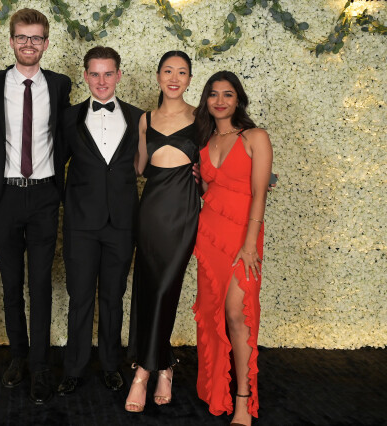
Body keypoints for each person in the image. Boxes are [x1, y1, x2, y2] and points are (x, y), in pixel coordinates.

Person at [0, 8, 72, 405]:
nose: (29, 44)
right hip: (5, 195)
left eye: (36, 37)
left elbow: (66, 135)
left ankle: (40, 365)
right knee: (12, 282)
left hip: (44, 196)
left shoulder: (60, 84)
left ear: (46, 43)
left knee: (40, 283)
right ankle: (18, 356)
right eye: (22, 37)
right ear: (11, 41)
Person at [56, 46, 142, 396]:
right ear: (86, 76)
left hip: (121, 223)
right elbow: (54, 166)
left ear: (119, 75)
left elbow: (154, 161)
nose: (101, 81)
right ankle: (74, 368)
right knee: (80, 298)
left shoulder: (139, 117)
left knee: (112, 297)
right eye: (95, 73)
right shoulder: (69, 117)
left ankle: (109, 365)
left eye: (108, 73)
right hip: (81, 224)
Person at [193, 71, 272, 426]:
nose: (220, 100)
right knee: (212, 314)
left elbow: (259, 194)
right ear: (206, 101)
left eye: (228, 94)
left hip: (243, 236)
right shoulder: (204, 140)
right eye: (213, 94)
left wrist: (251, 245)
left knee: (239, 316)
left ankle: (243, 398)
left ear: (238, 98)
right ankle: (216, 392)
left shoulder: (255, 137)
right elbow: (209, 192)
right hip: (209, 235)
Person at [125, 51, 200, 413]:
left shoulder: (202, 118)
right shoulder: (145, 119)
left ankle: (143, 372)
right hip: (151, 213)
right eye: (168, 71)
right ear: (158, 76)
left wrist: (258, 176)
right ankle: (164, 366)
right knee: (149, 287)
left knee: (165, 288)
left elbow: (220, 158)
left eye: (181, 72)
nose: (174, 77)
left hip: (183, 214)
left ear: (190, 79)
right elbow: (139, 168)